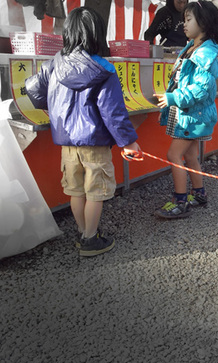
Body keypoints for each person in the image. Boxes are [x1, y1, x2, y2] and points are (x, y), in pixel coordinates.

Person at [25, 7, 140, 256]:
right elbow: (113, 112)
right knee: (95, 192)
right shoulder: (104, 69)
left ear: (68, 33)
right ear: (97, 34)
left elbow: (33, 90)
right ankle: (90, 239)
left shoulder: (53, 63)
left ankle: (82, 232)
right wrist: (128, 141)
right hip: (95, 144)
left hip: (67, 143)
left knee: (76, 190)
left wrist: (52, 106)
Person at [153, 0, 218, 219]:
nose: (184, 24)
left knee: (174, 154)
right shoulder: (194, 47)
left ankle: (180, 201)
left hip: (193, 114)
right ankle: (199, 194)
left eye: (189, 19)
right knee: (191, 155)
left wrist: (174, 97)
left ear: (204, 22)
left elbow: (201, 88)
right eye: (184, 19)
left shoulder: (204, 53)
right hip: (189, 113)